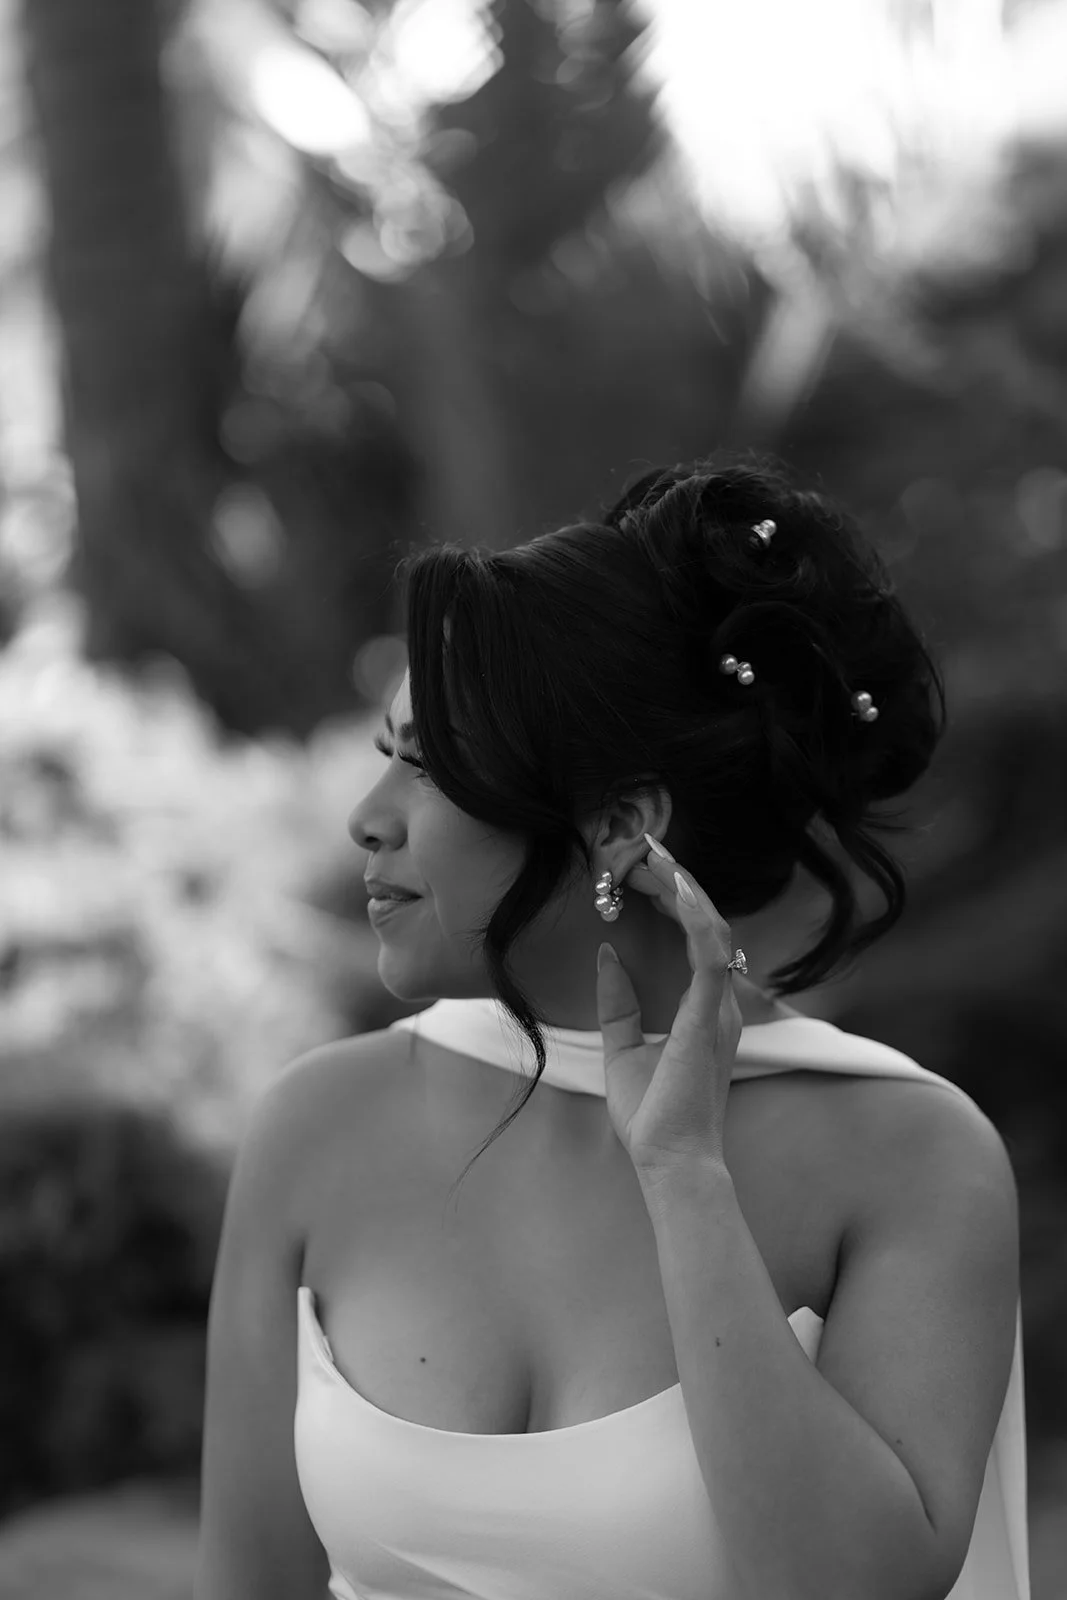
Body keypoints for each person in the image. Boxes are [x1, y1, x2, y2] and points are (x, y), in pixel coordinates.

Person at [194, 456, 1028, 1600]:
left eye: (429, 769)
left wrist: (685, 1177)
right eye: (384, 758)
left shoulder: (907, 1156)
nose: (366, 820)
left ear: (622, 823)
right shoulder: (317, 1125)